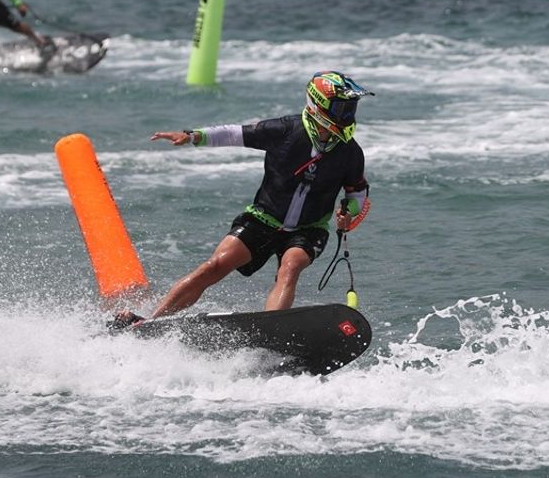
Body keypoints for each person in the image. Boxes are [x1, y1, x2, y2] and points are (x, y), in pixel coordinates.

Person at [135, 71, 374, 323]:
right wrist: (192, 135)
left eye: (351, 108)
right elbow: (234, 134)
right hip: (263, 219)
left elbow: (356, 191)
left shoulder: (350, 152)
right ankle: (150, 322)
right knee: (215, 266)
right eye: (341, 108)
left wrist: (350, 209)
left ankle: (271, 331)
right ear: (318, 105)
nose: (348, 115)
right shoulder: (285, 130)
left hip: (309, 229)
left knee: (289, 269)